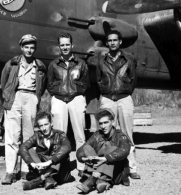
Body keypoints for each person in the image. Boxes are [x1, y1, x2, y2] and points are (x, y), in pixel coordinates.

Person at [88, 30, 140, 179]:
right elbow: (99, 80)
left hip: (124, 99)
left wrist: (125, 92)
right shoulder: (101, 61)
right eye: (109, 41)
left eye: (115, 40)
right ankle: (109, 168)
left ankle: (131, 168)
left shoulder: (129, 59)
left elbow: (133, 79)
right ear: (107, 43)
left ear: (120, 42)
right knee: (107, 134)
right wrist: (106, 92)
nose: (112, 43)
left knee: (126, 134)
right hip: (107, 99)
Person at [0, 34, 47, 184]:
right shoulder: (12, 63)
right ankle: (10, 172)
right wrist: (7, 97)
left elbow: (43, 85)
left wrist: (36, 99)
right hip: (15, 97)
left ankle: (27, 170)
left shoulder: (40, 65)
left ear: (35, 49)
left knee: (28, 137)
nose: (29, 50)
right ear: (21, 47)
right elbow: (4, 80)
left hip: (31, 97)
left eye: (32, 47)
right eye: (26, 47)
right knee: (12, 137)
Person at [47, 32, 89, 176]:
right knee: (59, 136)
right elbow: (49, 84)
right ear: (59, 46)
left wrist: (76, 92)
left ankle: (82, 167)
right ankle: (61, 167)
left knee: (80, 135)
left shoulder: (81, 63)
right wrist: (59, 93)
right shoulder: (53, 64)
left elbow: (86, 83)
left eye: (67, 44)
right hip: (59, 100)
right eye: (62, 45)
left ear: (72, 45)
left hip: (76, 99)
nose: (65, 47)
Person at [76, 109, 131, 193]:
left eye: (106, 122)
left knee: (113, 149)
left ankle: (92, 181)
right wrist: (84, 158)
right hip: (98, 164)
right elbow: (83, 148)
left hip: (115, 170)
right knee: (87, 147)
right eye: (101, 123)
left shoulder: (121, 136)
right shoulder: (97, 135)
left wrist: (105, 158)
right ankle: (102, 181)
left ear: (112, 122)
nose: (103, 126)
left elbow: (125, 150)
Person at [19, 111, 72, 191]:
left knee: (61, 151)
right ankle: (48, 178)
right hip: (42, 167)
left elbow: (67, 147)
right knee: (29, 149)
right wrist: (31, 162)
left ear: (51, 123)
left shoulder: (60, 134)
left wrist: (50, 161)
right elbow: (23, 147)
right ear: (39, 127)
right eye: (41, 126)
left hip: (60, 173)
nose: (44, 128)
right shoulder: (37, 135)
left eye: (46, 124)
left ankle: (41, 178)